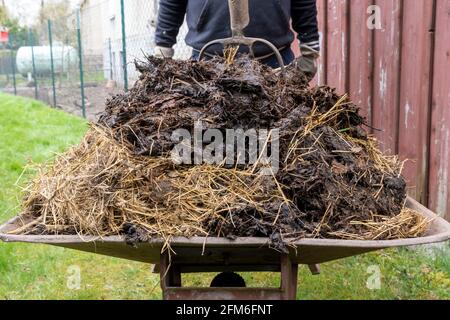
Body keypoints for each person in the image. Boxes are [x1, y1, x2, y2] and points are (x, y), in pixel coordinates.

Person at [154, 0, 320, 80]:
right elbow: (171, 2)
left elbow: (303, 2)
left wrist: (309, 50)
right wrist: (162, 48)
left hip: (275, 64)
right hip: (205, 66)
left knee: (277, 142)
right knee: (209, 142)